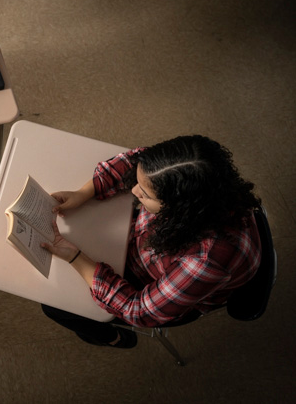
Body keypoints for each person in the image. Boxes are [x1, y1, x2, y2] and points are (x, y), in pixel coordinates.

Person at [40, 135, 262, 348]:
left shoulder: (206, 259)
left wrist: (76, 257)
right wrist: (85, 192)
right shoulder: (194, 175)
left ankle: (115, 338)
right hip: (145, 248)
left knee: (54, 305)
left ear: (179, 209)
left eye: (145, 194)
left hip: (161, 287)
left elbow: (139, 311)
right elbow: (135, 160)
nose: (134, 192)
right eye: (137, 183)